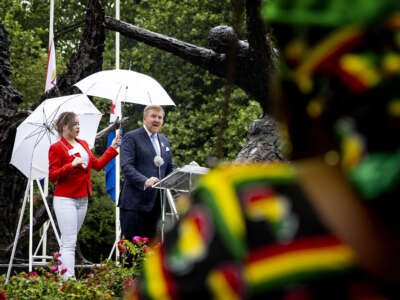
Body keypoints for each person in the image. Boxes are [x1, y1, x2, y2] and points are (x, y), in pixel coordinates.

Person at [48, 111, 120, 279]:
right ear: (64, 126)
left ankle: (62, 279)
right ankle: (68, 282)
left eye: (79, 124)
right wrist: (71, 165)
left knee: (70, 241)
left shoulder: (84, 144)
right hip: (65, 199)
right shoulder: (56, 148)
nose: (78, 127)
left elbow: (97, 165)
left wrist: (112, 148)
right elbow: (52, 176)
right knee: (68, 243)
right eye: (75, 124)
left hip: (82, 198)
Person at [119, 105, 175, 242]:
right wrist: (144, 181)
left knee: (151, 254)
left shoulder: (164, 141)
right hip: (134, 205)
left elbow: (169, 167)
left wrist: (179, 176)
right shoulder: (131, 137)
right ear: (144, 118)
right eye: (153, 116)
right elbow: (126, 166)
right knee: (133, 252)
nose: (157, 120)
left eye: (160, 117)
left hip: (156, 205)